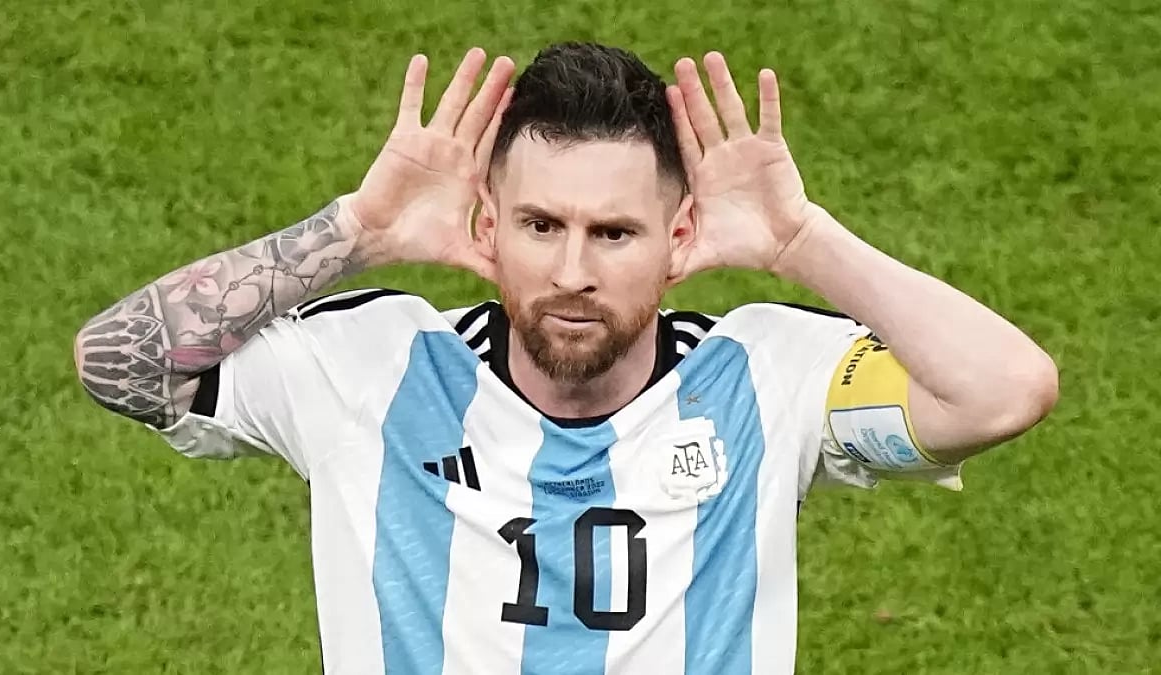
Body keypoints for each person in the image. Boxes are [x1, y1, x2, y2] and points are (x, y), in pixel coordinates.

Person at [73, 42, 1058, 674]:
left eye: (614, 233)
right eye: (541, 225)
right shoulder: (372, 370)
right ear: (489, 225)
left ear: (678, 237)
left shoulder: (766, 378)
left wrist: (803, 242)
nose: (573, 271)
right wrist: (355, 232)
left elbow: (1003, 392)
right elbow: (120, 361)